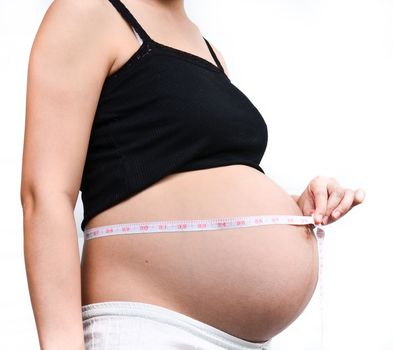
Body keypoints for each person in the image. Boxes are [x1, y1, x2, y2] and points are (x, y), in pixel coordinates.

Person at [20, 0, 365, 349]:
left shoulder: (208, 49)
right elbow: (45, 194)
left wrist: (293, 209)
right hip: (149, 328)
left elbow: (194, 174)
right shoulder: (88, 10)